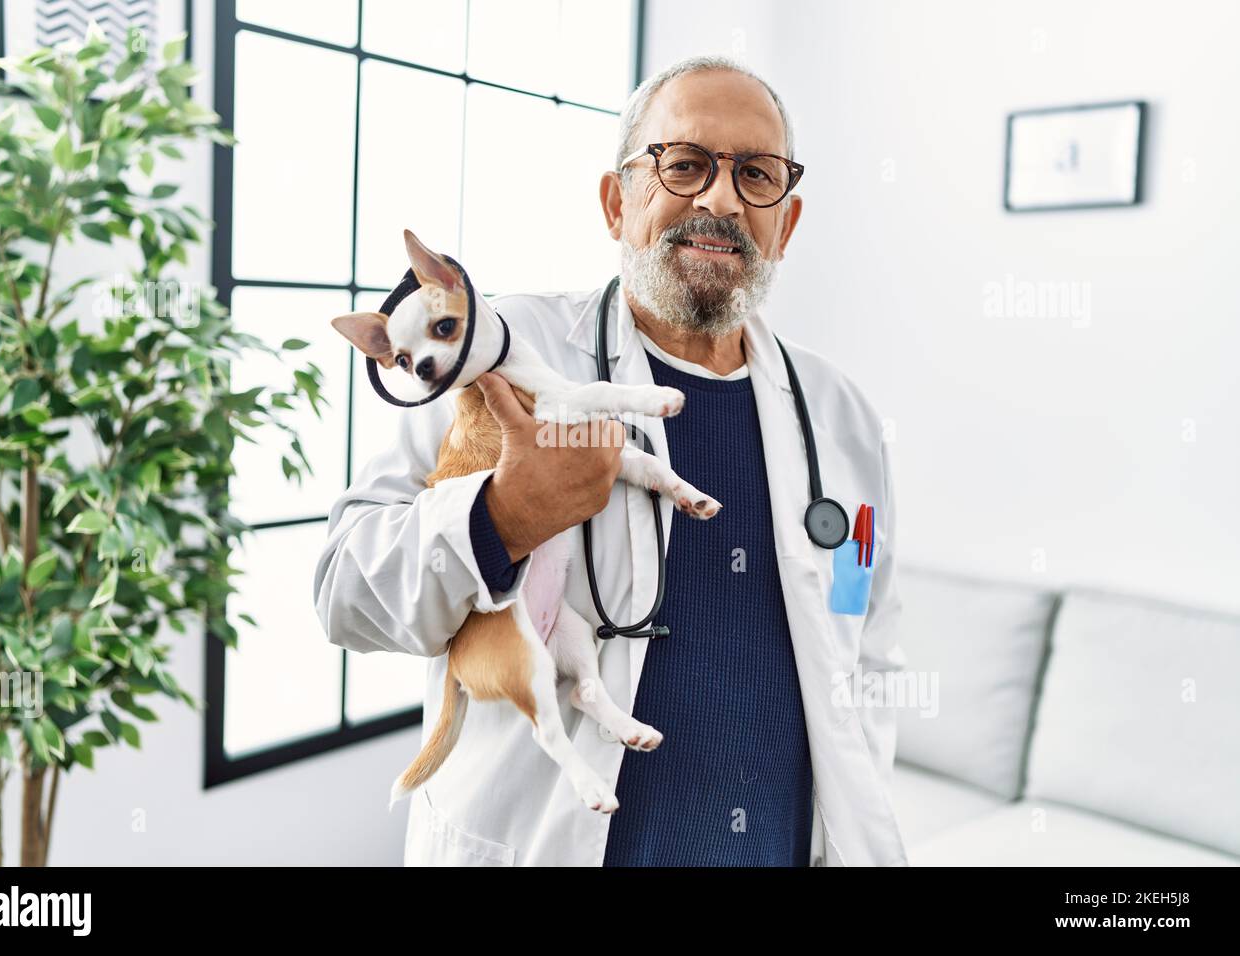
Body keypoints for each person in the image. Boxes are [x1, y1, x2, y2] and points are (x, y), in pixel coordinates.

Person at [313, 54, 908, 866]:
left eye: (756, 175)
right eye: (684, 164)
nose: (720, 200)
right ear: (615, 199)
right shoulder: (497, 358)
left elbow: (868, 651)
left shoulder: (843, 418)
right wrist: (502, 518)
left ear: (788, 222)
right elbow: (344, 592)